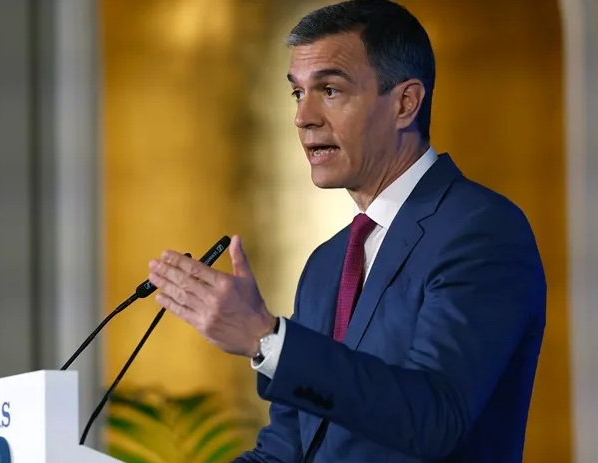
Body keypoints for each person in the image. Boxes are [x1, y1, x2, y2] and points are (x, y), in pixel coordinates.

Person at [145, 0, 547, 461]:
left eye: (330, 90)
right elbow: (285, 452)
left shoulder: (480, 230)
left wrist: (267, 340)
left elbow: (434, 418)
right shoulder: (326, 264)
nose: (304, 117)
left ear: (405, 103)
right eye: (298, 93)